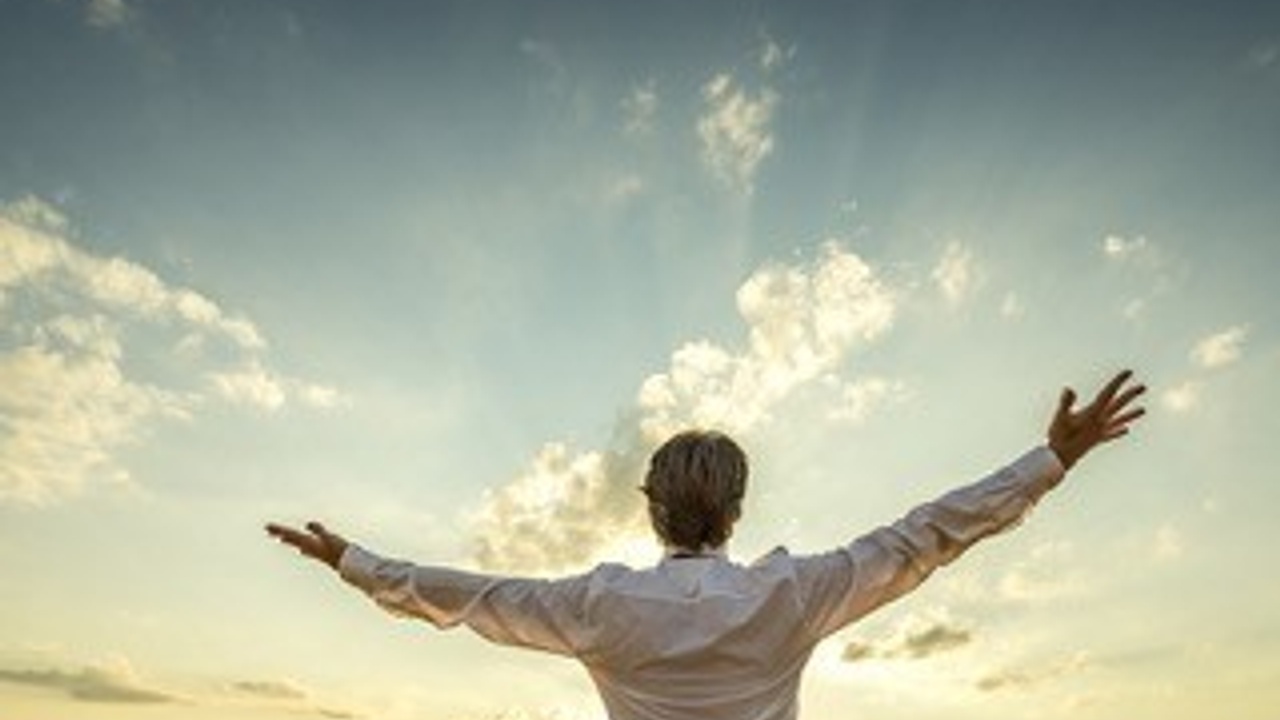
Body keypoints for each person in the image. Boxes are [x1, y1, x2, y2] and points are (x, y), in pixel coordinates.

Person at [267, 370, 1145, 720]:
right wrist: (1050, 460)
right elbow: (929, 536)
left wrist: (355, 562)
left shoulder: (599, 607)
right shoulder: (791, 595)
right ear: (736, 511)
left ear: (652, 510)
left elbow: (467, 596)